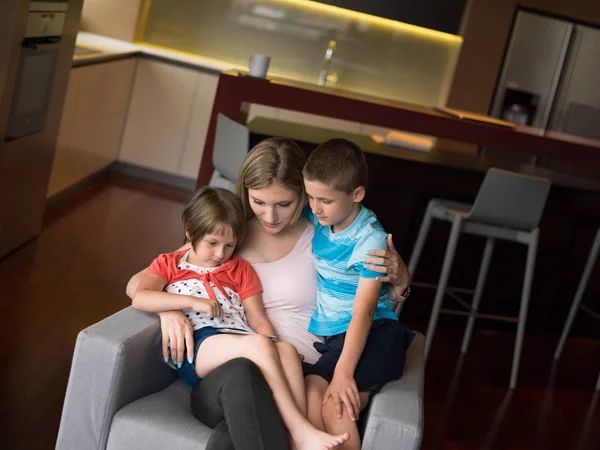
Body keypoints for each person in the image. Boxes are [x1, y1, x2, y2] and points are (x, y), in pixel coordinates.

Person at [126, 138, 411, 450]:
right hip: (234, 370)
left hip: (300, 370)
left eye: (283, 204)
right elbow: (143, 281)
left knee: (235, 436)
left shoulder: (327, 233)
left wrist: (401, 283)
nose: (270, 216)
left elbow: (371, 311)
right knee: (245, 380)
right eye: (258, 202)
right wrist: (170, 311)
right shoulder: (230, 236)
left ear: (304, 194)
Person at [131, 186, 350, 450]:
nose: (220, 254)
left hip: (241, 340)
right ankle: (300, 429)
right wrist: (187, 304)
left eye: (229, 245)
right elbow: (141, 295)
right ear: (190, 231)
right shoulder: (170, 263)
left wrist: (274, 346)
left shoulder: (239, 269)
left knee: (287, 352)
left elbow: (258, 320)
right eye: (212, 243)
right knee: (259, 344)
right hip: (201, 344)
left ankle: (295, 437)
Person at [301, 138, 414, 450]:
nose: (314, 207)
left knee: (332, 402)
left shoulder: (370, 240)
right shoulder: (322, 218)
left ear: (357, 194)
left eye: (324, 199)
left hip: (377, 335)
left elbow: (363, 313)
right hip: (340, 337)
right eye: (310, 196)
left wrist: (343, 374)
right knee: (311, 389)